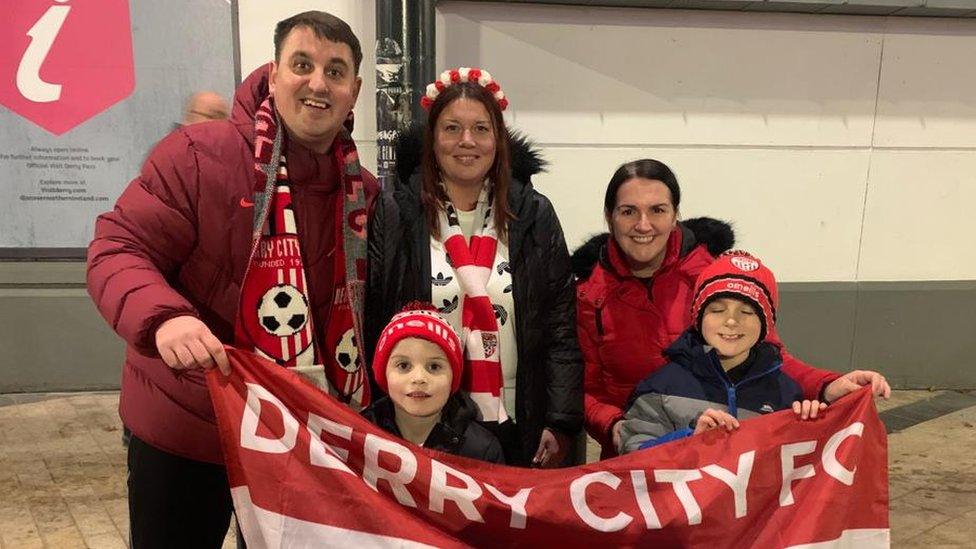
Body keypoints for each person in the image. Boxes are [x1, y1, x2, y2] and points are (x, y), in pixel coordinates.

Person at [86, 11, 379, 547]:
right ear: (273, 72)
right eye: (302, 64)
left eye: (335, 71)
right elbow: (117, 246)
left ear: (354, 89)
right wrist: (165, 318)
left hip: (302, 442)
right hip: (190, 427)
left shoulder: (368, 197)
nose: (318, 83)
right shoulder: (199, 157)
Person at [573, 159, 890, 459]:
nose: (643, 225)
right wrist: (615, 427)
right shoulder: (588, 294)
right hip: (636, 452)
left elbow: (769, 358)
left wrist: (827, 385)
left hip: (718, 456)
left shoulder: (714, 279)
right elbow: (582, 388)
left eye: (657, 210)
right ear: (609, 216)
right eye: (628, 211)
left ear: (675, 214)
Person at [366, 67, 582, 467]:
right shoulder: (398, 212)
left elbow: (560, 327)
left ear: (497, 141)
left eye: (481, 129)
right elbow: (378, 318)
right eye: (452, 128)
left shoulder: (533, 214)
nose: (467, 141)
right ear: (432, 139)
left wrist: (561, 421)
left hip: (519, 419)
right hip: (423, 422)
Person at [618, 251, 887, 453]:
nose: (731, 321)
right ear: (698, 318)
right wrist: (688, 438)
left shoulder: (784, 392)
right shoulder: (662, 387)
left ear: (766, 324)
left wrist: (811, 426)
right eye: (717, 310)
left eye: (747, 312)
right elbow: (633, 451)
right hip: (687, 524)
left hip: (751, 527)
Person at [363, 303, 505, 463]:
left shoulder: (482, 450)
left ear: (453, 377)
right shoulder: (357, 435)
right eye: (403, 365)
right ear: (383, 373)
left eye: (434, 366)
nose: (418, 378)